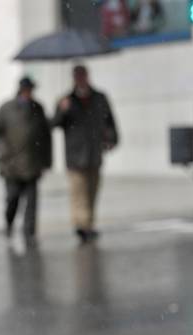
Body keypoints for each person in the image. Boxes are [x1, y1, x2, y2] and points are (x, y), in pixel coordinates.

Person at [52, 65, 118, 244]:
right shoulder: (66, 100)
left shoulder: (99, 98)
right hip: (75, 156)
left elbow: (110, 121)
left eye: (83, 76)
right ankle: (82, 226)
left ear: (87, 76)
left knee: (92, 192)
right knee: (78, 193)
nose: (80, 79)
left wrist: (112, 139)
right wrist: (62, 110)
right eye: (77, 76)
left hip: (94, 153)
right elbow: (55, 123)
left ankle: (88, 224)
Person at [0, 77, 52, 245]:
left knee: (31, 202)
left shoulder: (38, 108)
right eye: (26, 90)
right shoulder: (6, 108)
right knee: (13, 199)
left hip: (33, 163)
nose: (28, 93)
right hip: (11, 165)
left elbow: (46, 136)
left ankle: (29, 232)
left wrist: (46, 162)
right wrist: (4, 151)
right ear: (20, 90)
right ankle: (9, 223)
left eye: (30, 90)